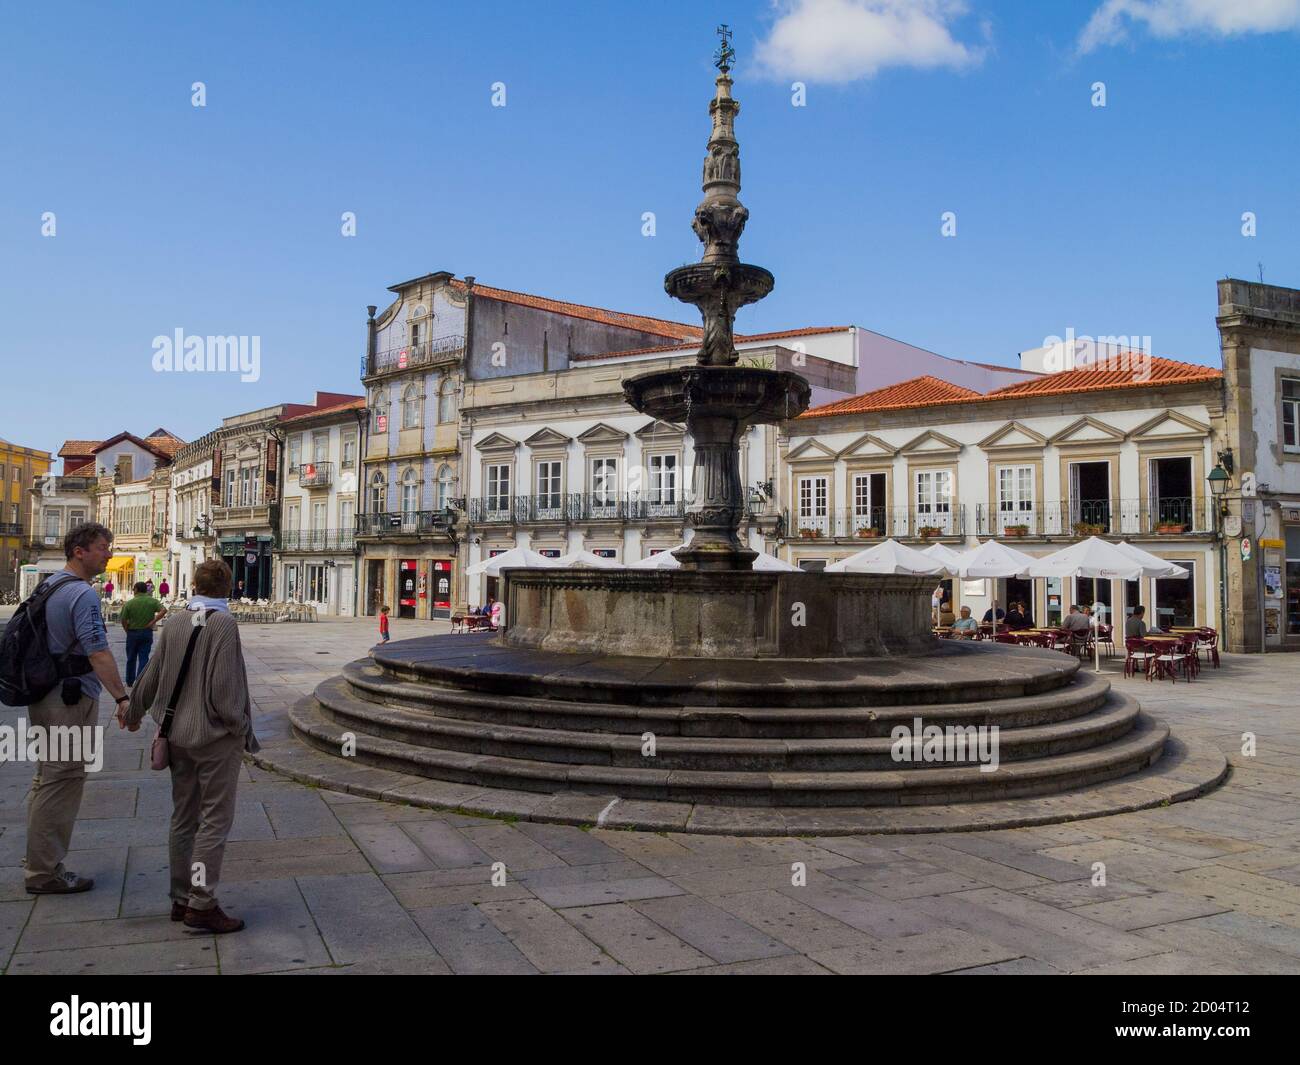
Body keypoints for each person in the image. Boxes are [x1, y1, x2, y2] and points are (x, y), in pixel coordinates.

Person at [125, 558, 257, 934]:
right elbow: (226, 689)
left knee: (183, 818)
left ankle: (180, 898)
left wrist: (134, 709)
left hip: (176, 736)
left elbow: (152, 670)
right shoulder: (224, 624)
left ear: (195, 586)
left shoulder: (178, 620)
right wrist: (240, 725)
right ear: (227, 588)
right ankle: (202, 902)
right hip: (214, 739)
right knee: (214, 821)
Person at [25, 522, 133, 895]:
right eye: (103, 547)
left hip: (46, 694)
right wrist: (122, 697)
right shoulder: (82, 595)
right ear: (79, 551)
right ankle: (44, 872)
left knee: (49, 777)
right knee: (63, 779)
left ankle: (38, 859)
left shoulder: (49, 584)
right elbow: (98, 651)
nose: (109, 553)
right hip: (68, 699)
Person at [120, 582, 166, 686]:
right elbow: (163, 610)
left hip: (132, 632)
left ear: (136, 589)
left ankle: (129, 681)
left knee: (131, 658)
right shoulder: (152, 601)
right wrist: (153, 622)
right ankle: (140, 681)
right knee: (144, 657)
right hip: (146, 632)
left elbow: (123, 619)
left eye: (133, 589)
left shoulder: (129, 603)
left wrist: (126, 629)